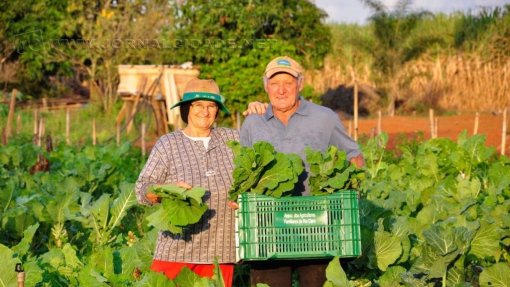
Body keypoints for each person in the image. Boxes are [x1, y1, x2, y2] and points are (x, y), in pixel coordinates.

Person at [240, 56, 365, 287]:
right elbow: (242, 169)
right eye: (275, 83)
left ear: (301, 84)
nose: (281, 90)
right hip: (268, 229)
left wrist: (349, 184)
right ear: (265, 86)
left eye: (288, 83)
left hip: (319, 226)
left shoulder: (324, 117)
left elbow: (353, 157)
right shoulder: (253, 122)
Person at [135, 78, 239, 286]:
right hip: (177, 250)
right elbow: (142, 189)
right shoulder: (169, 144)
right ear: (186, 109)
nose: (205, 111)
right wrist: (166, 191)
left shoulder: (232, 139)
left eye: (211, 106)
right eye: (198, 105)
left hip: (221, 252)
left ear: (218, 110)